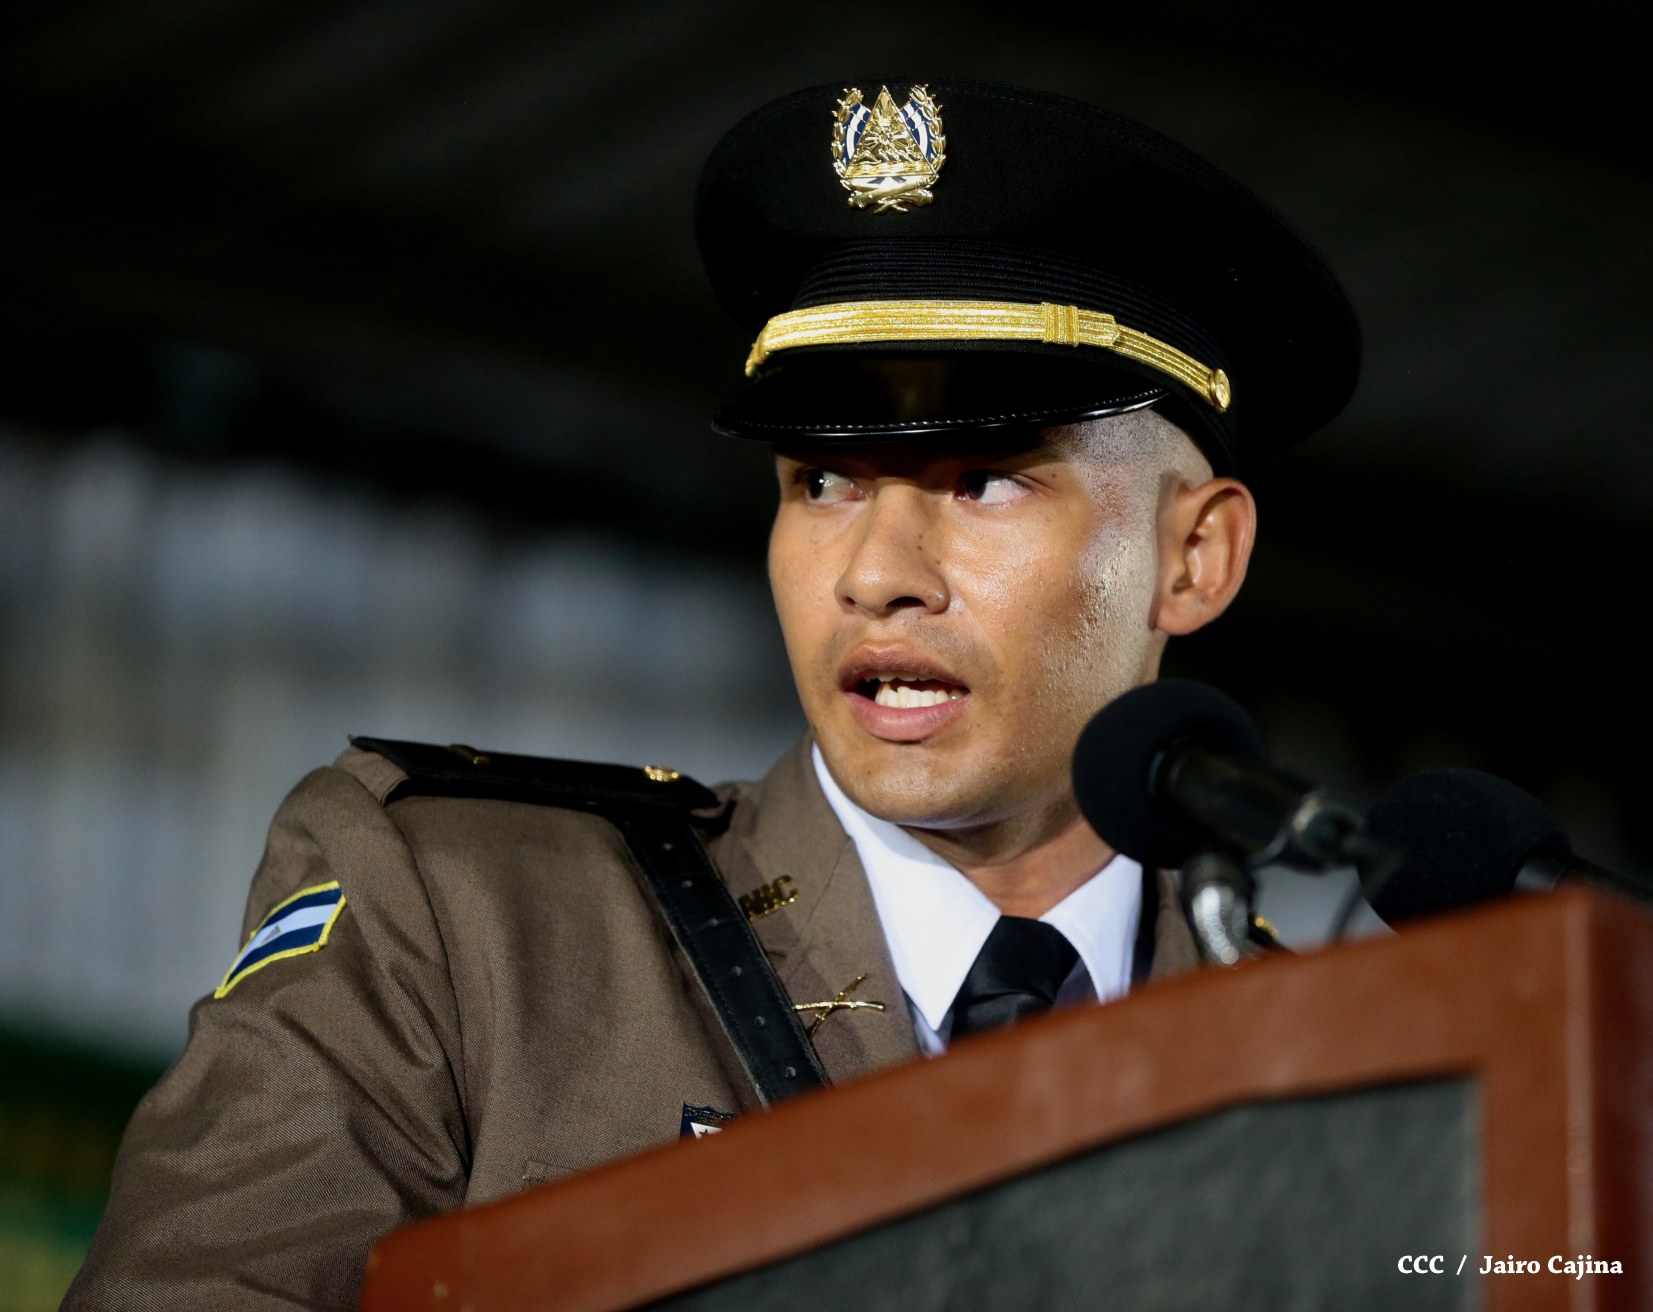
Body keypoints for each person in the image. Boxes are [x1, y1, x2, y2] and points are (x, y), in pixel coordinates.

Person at [64, 79, 1358, 1308]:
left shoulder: (1344, 1082)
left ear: (1195, 557)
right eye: (822, 482)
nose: (875, 575)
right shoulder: (473, 918)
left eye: (983, 481)